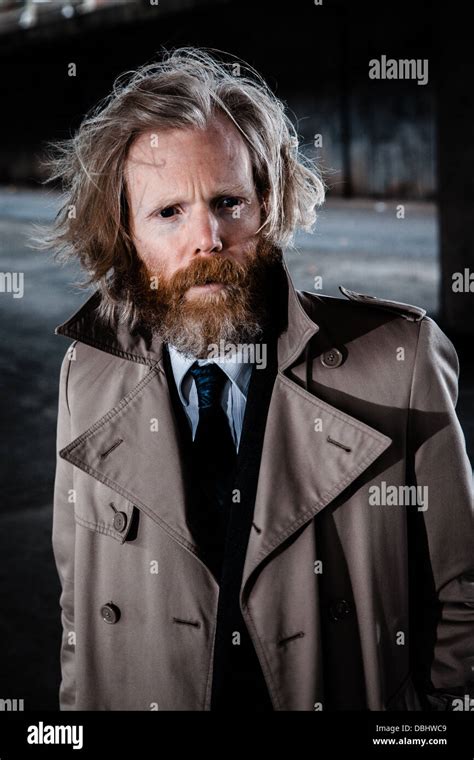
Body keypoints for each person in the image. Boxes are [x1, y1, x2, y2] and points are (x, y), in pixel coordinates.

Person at [48, 46, 473, 711]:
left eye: (228, 202)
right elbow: (80, 608)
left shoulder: (400, 360)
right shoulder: (89, 371)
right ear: (124, 232)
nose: (208, 239)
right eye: (168, 213)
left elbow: (466, 590)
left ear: (268, 208)